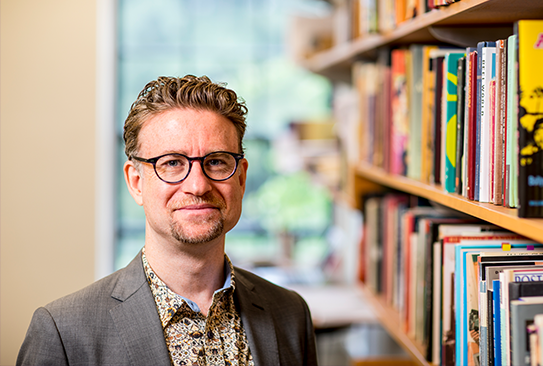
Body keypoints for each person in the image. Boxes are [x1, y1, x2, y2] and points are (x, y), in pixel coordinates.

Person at [17, 75, 318, 366]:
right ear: (136, 182)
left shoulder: (290, 314)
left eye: (216, 161)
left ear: (240, 178)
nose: (198, 186)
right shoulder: (64, 333)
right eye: (172, 163)